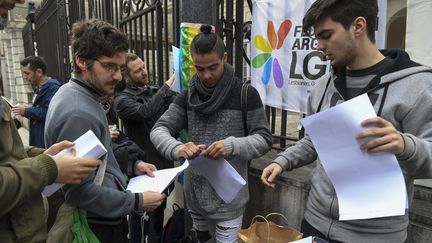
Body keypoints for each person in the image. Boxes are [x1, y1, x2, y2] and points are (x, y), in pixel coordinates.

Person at [261, 0, 432, 242]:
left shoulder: (416, 87)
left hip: (376, 237)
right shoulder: (322, 86)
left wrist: (406, 146)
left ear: (358, 26)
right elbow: (314, 141)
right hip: (314, 223)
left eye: (326, 35)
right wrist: (283, 160)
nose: (319, 46)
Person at [44, 19, 165, 242]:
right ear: (81, 61)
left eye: (119, 68)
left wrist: (132, 164)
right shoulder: (78, 112)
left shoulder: (79, 95)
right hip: (97, 227)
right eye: (109, 66)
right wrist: (136, 202)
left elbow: (99, 154)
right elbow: (78, 192)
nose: (118, 76)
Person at [150, 24, 272, 243]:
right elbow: (159, 129)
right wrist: (177, 147)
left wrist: (231, 145)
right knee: (202, 238)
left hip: (230, 198)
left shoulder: (246, 94)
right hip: (195, 194)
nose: (206, 75)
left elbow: (264, 138)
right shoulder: (187, 96)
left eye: (213, 67)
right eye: (199, 68)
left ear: (224, 58)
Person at [0, 98, 101, 242]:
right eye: (111, 72)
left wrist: (41, 155)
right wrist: (48, 167)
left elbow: (9, 154)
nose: (118, 77)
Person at [114, 53, 176, 243]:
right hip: (142, 165)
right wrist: (167, 87)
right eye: (138, 70)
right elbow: (145, 111)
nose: (144, 72)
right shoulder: (122, 100)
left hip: (164, 162)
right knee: (140, 215)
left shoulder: (152, 91)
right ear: (126, 75)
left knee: (159, 211)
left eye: (144, 67)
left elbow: (173, 111)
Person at [12, 56, 60, 148]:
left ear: (39, 72)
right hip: (38, 139)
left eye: (27, 73)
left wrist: (26, 111)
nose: (25, 77)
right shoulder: (40, 87)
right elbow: (39, 108)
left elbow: (47, 113)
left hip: (45, 142)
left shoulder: (53, 88)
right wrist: (25, 110)